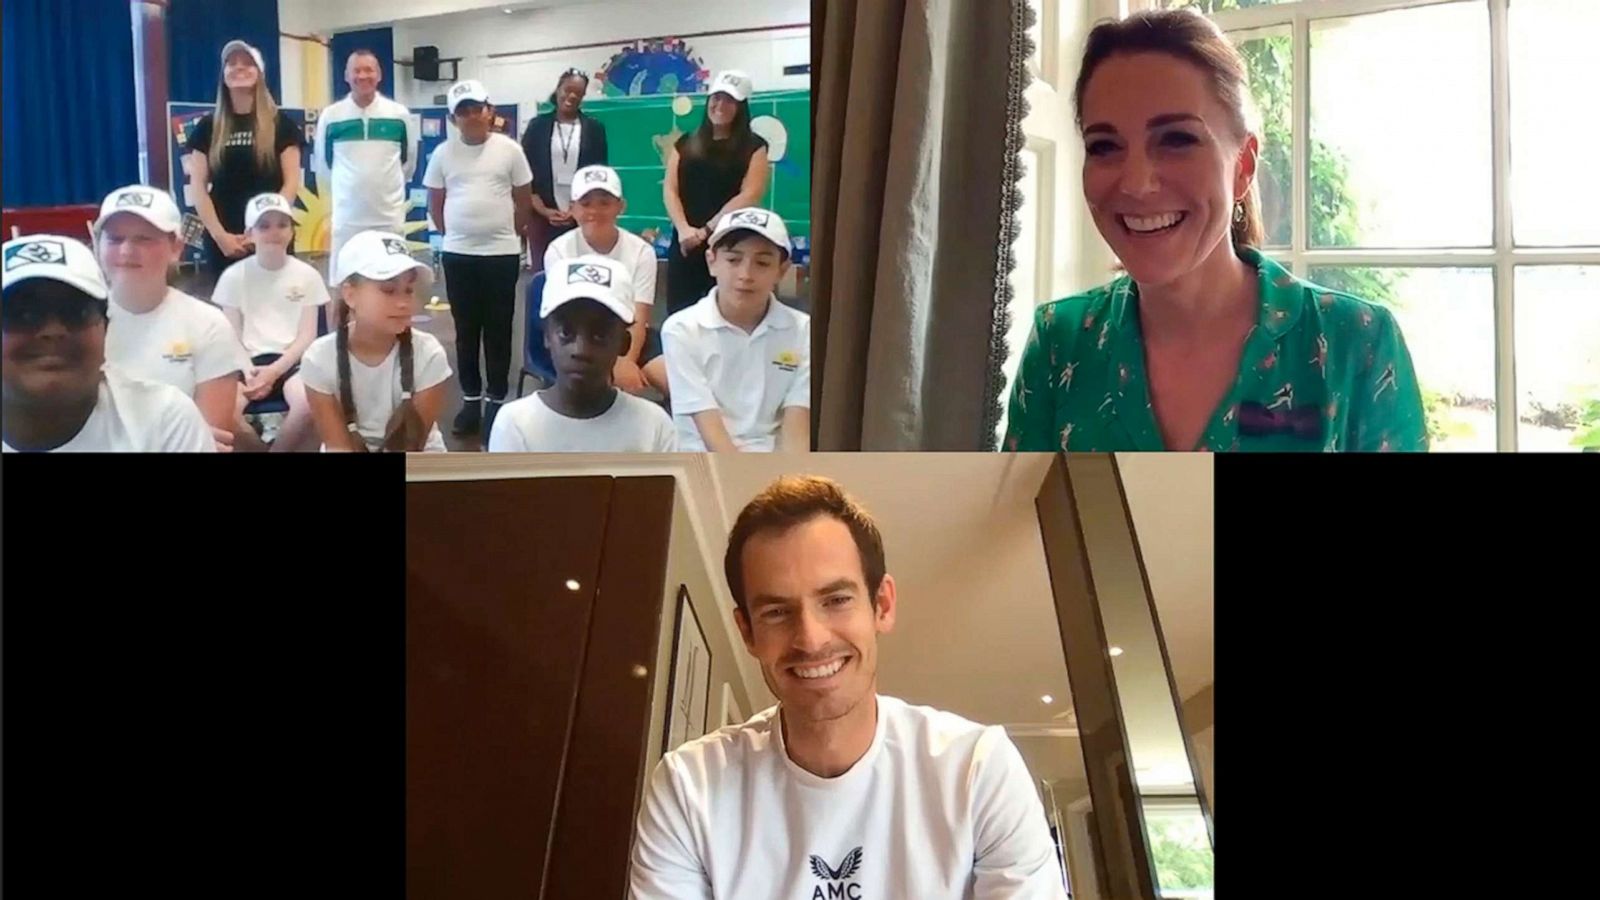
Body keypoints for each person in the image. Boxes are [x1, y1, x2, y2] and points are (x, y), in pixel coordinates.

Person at [1003, 9, 1426, 452]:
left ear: (1243, 166)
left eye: (1177, 139)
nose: (1136, 183)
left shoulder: (1357, 342)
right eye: (1105, 146)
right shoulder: (1060, 342)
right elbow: (1021, 522)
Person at [629, 476, 1068, 899]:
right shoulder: (689, 788)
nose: (811, 639)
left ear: (882, 605)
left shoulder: (978, 769)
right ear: (747, 632)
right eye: (777, 612)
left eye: (836, 600)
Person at [2, 235, 214, 452]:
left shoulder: (162, 421)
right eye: (22, 314)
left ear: (106, 328)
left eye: (75, 312)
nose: (52, 331)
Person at [95, 185, 250, 451]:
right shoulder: (76, 326)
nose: (127, 250)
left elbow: (207, 443)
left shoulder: (208, 325)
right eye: (115, 239)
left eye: (144, 239)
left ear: (175, 247)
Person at [424, 79, 534, 439]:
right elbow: (435, 204)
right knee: (467, 331)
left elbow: (523, 199)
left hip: (500, 255)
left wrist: (508, 234)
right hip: (459, 255)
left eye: (476, 108)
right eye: (463, 111)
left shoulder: (510, 150)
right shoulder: (442, 154)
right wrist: (455, 234)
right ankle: (471, 401)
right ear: (453, 118)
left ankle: (497, 402)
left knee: (499, 330)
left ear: (489, 111)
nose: (471, 116)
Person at [487, 255, 675, 453]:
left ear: (624, 343)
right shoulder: (515, 425)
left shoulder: (654, 426)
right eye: (566, 333)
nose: (580, 350)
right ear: (546, 337)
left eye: (599, 335)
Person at [661, 208, 809, 453]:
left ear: (781, 271)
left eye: (762, 263)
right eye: (733, 260)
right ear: (712, 262)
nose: (745, 275)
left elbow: (797, 429)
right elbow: (711, 435)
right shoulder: (682, 330)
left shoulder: (803, 331)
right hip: (707, 462)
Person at [300, 230, 451, 452]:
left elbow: (411, 448)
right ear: (350, 295)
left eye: (408, 290)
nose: (403, 303)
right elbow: (338, 446)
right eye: (389, 290)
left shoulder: (429, 355)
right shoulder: (318, 359)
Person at [212, 193, 331, 452]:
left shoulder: (308, 276)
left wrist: (276, 370)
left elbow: (307, 336)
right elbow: (230, 336)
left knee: (307, 402)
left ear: (291, 231)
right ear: (249, 233)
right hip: (246, 365)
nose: (274, 232)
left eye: (282, 225)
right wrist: (249, 372)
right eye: (264, 226)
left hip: (293, 363)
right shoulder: (233, 277)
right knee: (222, 411)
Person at [184, 40, 304, 281]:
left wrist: (266, 230)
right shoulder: (207, 128)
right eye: (232, 63)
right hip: (224, 239)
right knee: (230, 314)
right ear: (224, 75)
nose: (239, 68)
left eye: (247, 63)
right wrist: (220, 236)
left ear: (259, 74)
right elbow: (198, 188)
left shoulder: (281, 125)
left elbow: (291, 183)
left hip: (271, 237)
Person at [314, 48, 419, 310]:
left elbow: (407, 164)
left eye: (368, 70)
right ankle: (338, 348)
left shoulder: (399, 114)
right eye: (357, 70)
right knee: (342, 288)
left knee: (394, 287)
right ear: (346, 76)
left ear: (379, 74)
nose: (363, 76)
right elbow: (325, 168)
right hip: (347, 221)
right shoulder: (331, 116)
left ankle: (393, 348)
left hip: (388, 220)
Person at [663, 70, 771, 318]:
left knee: (725, 314)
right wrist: (684, 229)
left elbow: (750, 193)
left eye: (729, 100)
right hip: (684, 244)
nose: (720, 105)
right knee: (680, 314)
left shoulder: (755, 147)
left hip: (728, 244)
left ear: (741, 106)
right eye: (716, 98)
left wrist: (707, 230)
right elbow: (670, 188)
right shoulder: (686, 142)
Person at [544, 164, 659, 395]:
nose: (594, 211)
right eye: (585, 204)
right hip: (577, 338)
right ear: (572, 209)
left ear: (621, 206)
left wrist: (626, 360)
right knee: (596, 383)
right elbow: (563, 317)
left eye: (605, 203)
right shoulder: (558, 250)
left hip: (629, 339)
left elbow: (640, 315)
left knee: (672, 380)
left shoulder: (642, 252)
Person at [521, 69, 609, 255]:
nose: (571, 96)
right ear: (558, 89)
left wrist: (576, 209)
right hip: (541, 216)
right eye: (567, 90)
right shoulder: (537, 126)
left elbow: (599, 174)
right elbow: (524, 175)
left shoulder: (594, 129)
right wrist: (544, 210)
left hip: (582, 216)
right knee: (544, 272)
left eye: (578, 93)